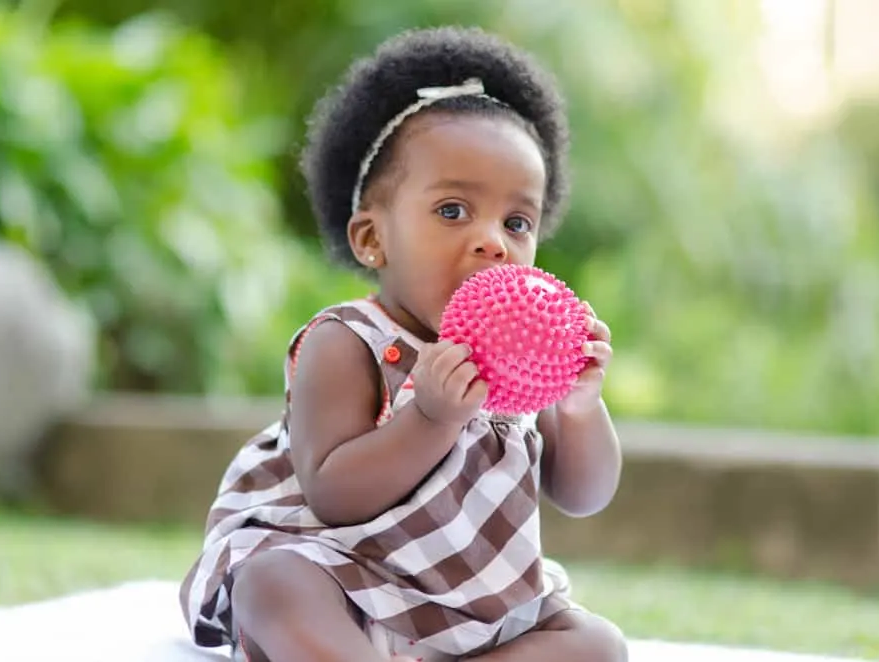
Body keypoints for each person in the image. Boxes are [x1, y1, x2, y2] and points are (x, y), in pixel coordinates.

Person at [179, 25, 626, 662]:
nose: (493, 241)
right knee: (274, 584)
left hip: (465, 606)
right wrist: (430, 417)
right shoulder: (348, 341)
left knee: (597, 647)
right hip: (341, 576)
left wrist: (580, 407)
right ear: (372, 240)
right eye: (453, 211)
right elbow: (334, 496)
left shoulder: (523, 362)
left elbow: (584, 496)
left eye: (517, 221)